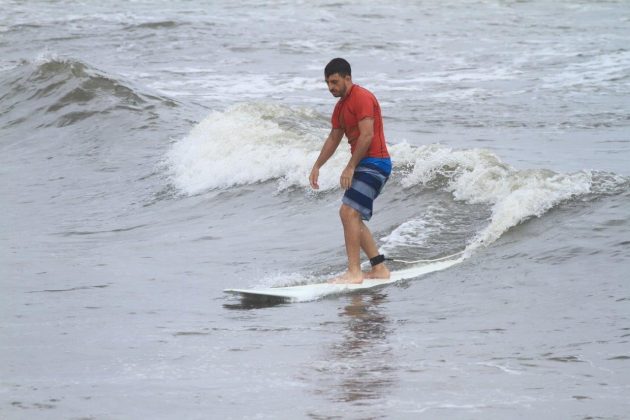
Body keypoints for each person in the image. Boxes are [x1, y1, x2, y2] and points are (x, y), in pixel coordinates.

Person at [309, 58, 392, 284]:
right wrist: (317, 165)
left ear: (348, 78)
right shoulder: (340, 107)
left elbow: (367, 135)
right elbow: (334, 137)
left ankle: (354, 272)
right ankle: (380, 268)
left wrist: (351, 166)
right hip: (366, 164)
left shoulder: (362, 97)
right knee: (351, 216)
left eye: (334, 82)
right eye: (327, 83)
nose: (330, 87)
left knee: (348, 213)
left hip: (376, 163)